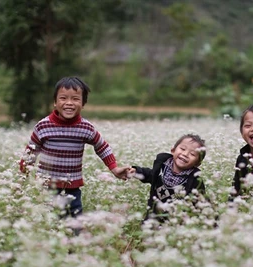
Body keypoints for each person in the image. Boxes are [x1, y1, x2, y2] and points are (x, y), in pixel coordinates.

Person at [19, 76, 129, 221]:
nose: (69, 103)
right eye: (63, 98)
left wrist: (114, 168)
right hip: (45, 188)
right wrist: (21, 178)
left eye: (76, 99)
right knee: (47, 224)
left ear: (83, 103)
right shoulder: (43, 126)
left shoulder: (85, 127)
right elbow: (30, 152)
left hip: (72, 189)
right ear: (55, 102)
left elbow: (102, 146)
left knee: (75, 225)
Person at [128, 134, 207, 223]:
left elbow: (201, 201)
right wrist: (136, 171)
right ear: (173, 150)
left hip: (175, 222)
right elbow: (150, 174)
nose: (185, 154)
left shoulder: (195, 179)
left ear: (197, 163)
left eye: (192, 154)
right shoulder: (161, 166)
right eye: (182, 149)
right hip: (153, 216)